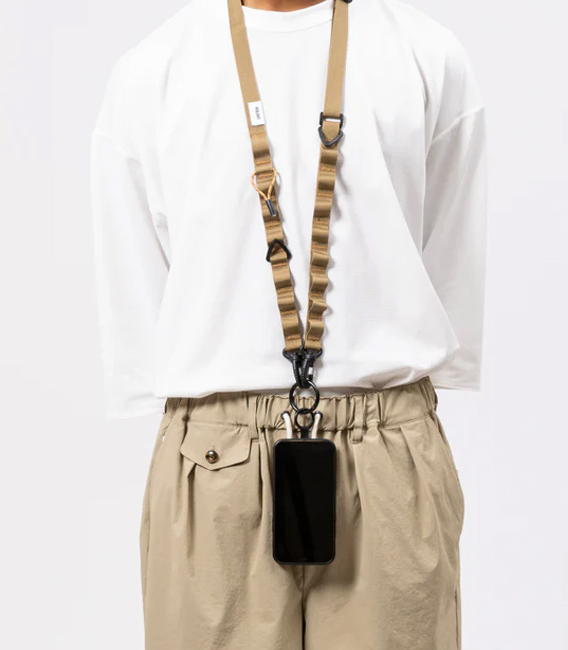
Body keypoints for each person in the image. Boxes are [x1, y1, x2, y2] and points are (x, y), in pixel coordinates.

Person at [90, 0, 487, 647]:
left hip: (388, 449)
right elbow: (145, 292)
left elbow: (445, 260)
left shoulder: (428, 56)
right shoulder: (152, 70)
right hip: (213, 455)